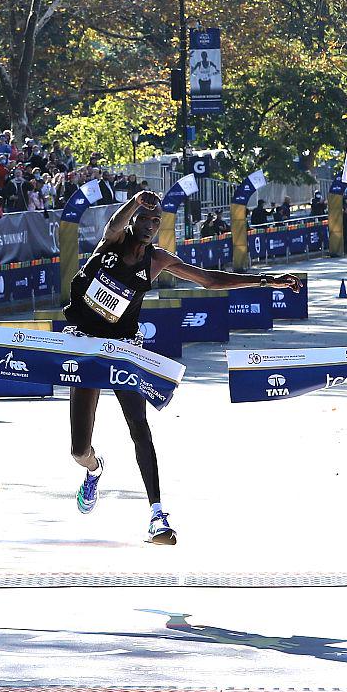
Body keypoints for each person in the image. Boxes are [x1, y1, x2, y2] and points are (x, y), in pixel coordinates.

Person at [62, 190, 301, 544]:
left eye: (156, 222)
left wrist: (265, 281)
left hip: (125, 350)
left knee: (139, 429)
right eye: (144, 218)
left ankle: (157, 515)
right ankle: (95, 471)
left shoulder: (157, 259)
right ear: (134, 221)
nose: (149, 225)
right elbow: (114, 223)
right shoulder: (110, 244)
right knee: (78, 449)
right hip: (87, 346)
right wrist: (134, 202)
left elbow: (209, 280)